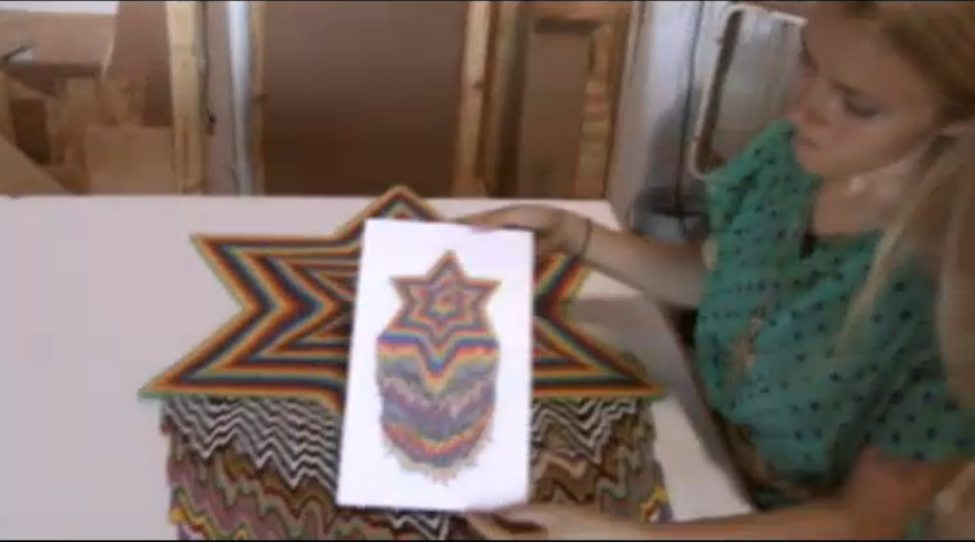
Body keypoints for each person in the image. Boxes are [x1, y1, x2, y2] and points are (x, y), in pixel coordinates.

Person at [461, 2, 975, 539]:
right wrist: (575, 235)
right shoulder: (790, 158)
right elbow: (725, 281)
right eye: (807, 61)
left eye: (859, 105)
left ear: (957, 117)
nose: (801, 112)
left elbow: (863, 520)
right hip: (706, 449)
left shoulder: (952, 299)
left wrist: (636, 538)